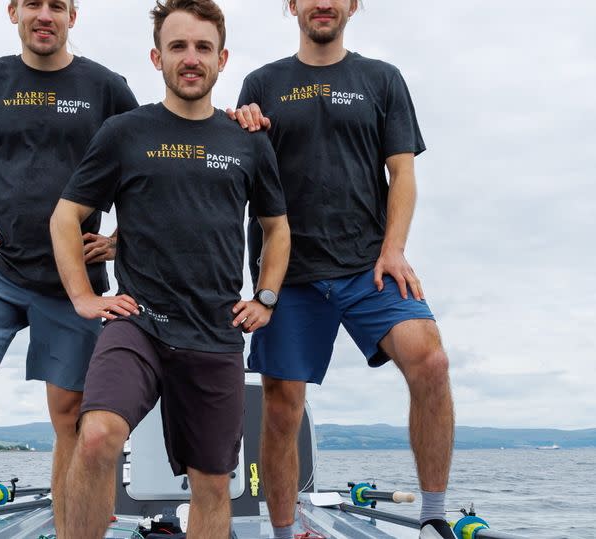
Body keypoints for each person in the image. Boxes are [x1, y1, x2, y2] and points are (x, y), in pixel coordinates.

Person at [50, 1, 291, 537]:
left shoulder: (247, 140)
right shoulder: (123, 133)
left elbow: (276, 227)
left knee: (212, 485)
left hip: (214, 331)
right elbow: (66, 216)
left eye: (203, 47)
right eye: (178, 46)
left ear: (222, 59)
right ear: (156, 57)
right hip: (139, 323)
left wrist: (266, 296)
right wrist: (83, 299)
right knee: (95, 438)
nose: (191, 58)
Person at [0, 1, 139, 537]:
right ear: (13, 11)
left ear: (72, 17)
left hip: (74, 278)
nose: (44, 14)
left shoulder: (107, 87)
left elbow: (146, 165)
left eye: (57, 5)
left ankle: (68, 528)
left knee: (69, 411)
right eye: (32, 3)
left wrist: (120, 240)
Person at [237, 1, 456, 538]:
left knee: (430, 362)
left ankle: (432, 516)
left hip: (369, 266)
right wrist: (241, 127)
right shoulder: (261, 81)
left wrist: (394, 248)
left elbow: (401, 172)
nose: (323, 3)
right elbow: (234, 177)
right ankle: (285, 532)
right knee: (283, 408)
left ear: (353, 4)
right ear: (292, 5)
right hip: (288, 274)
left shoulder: (381, 79)